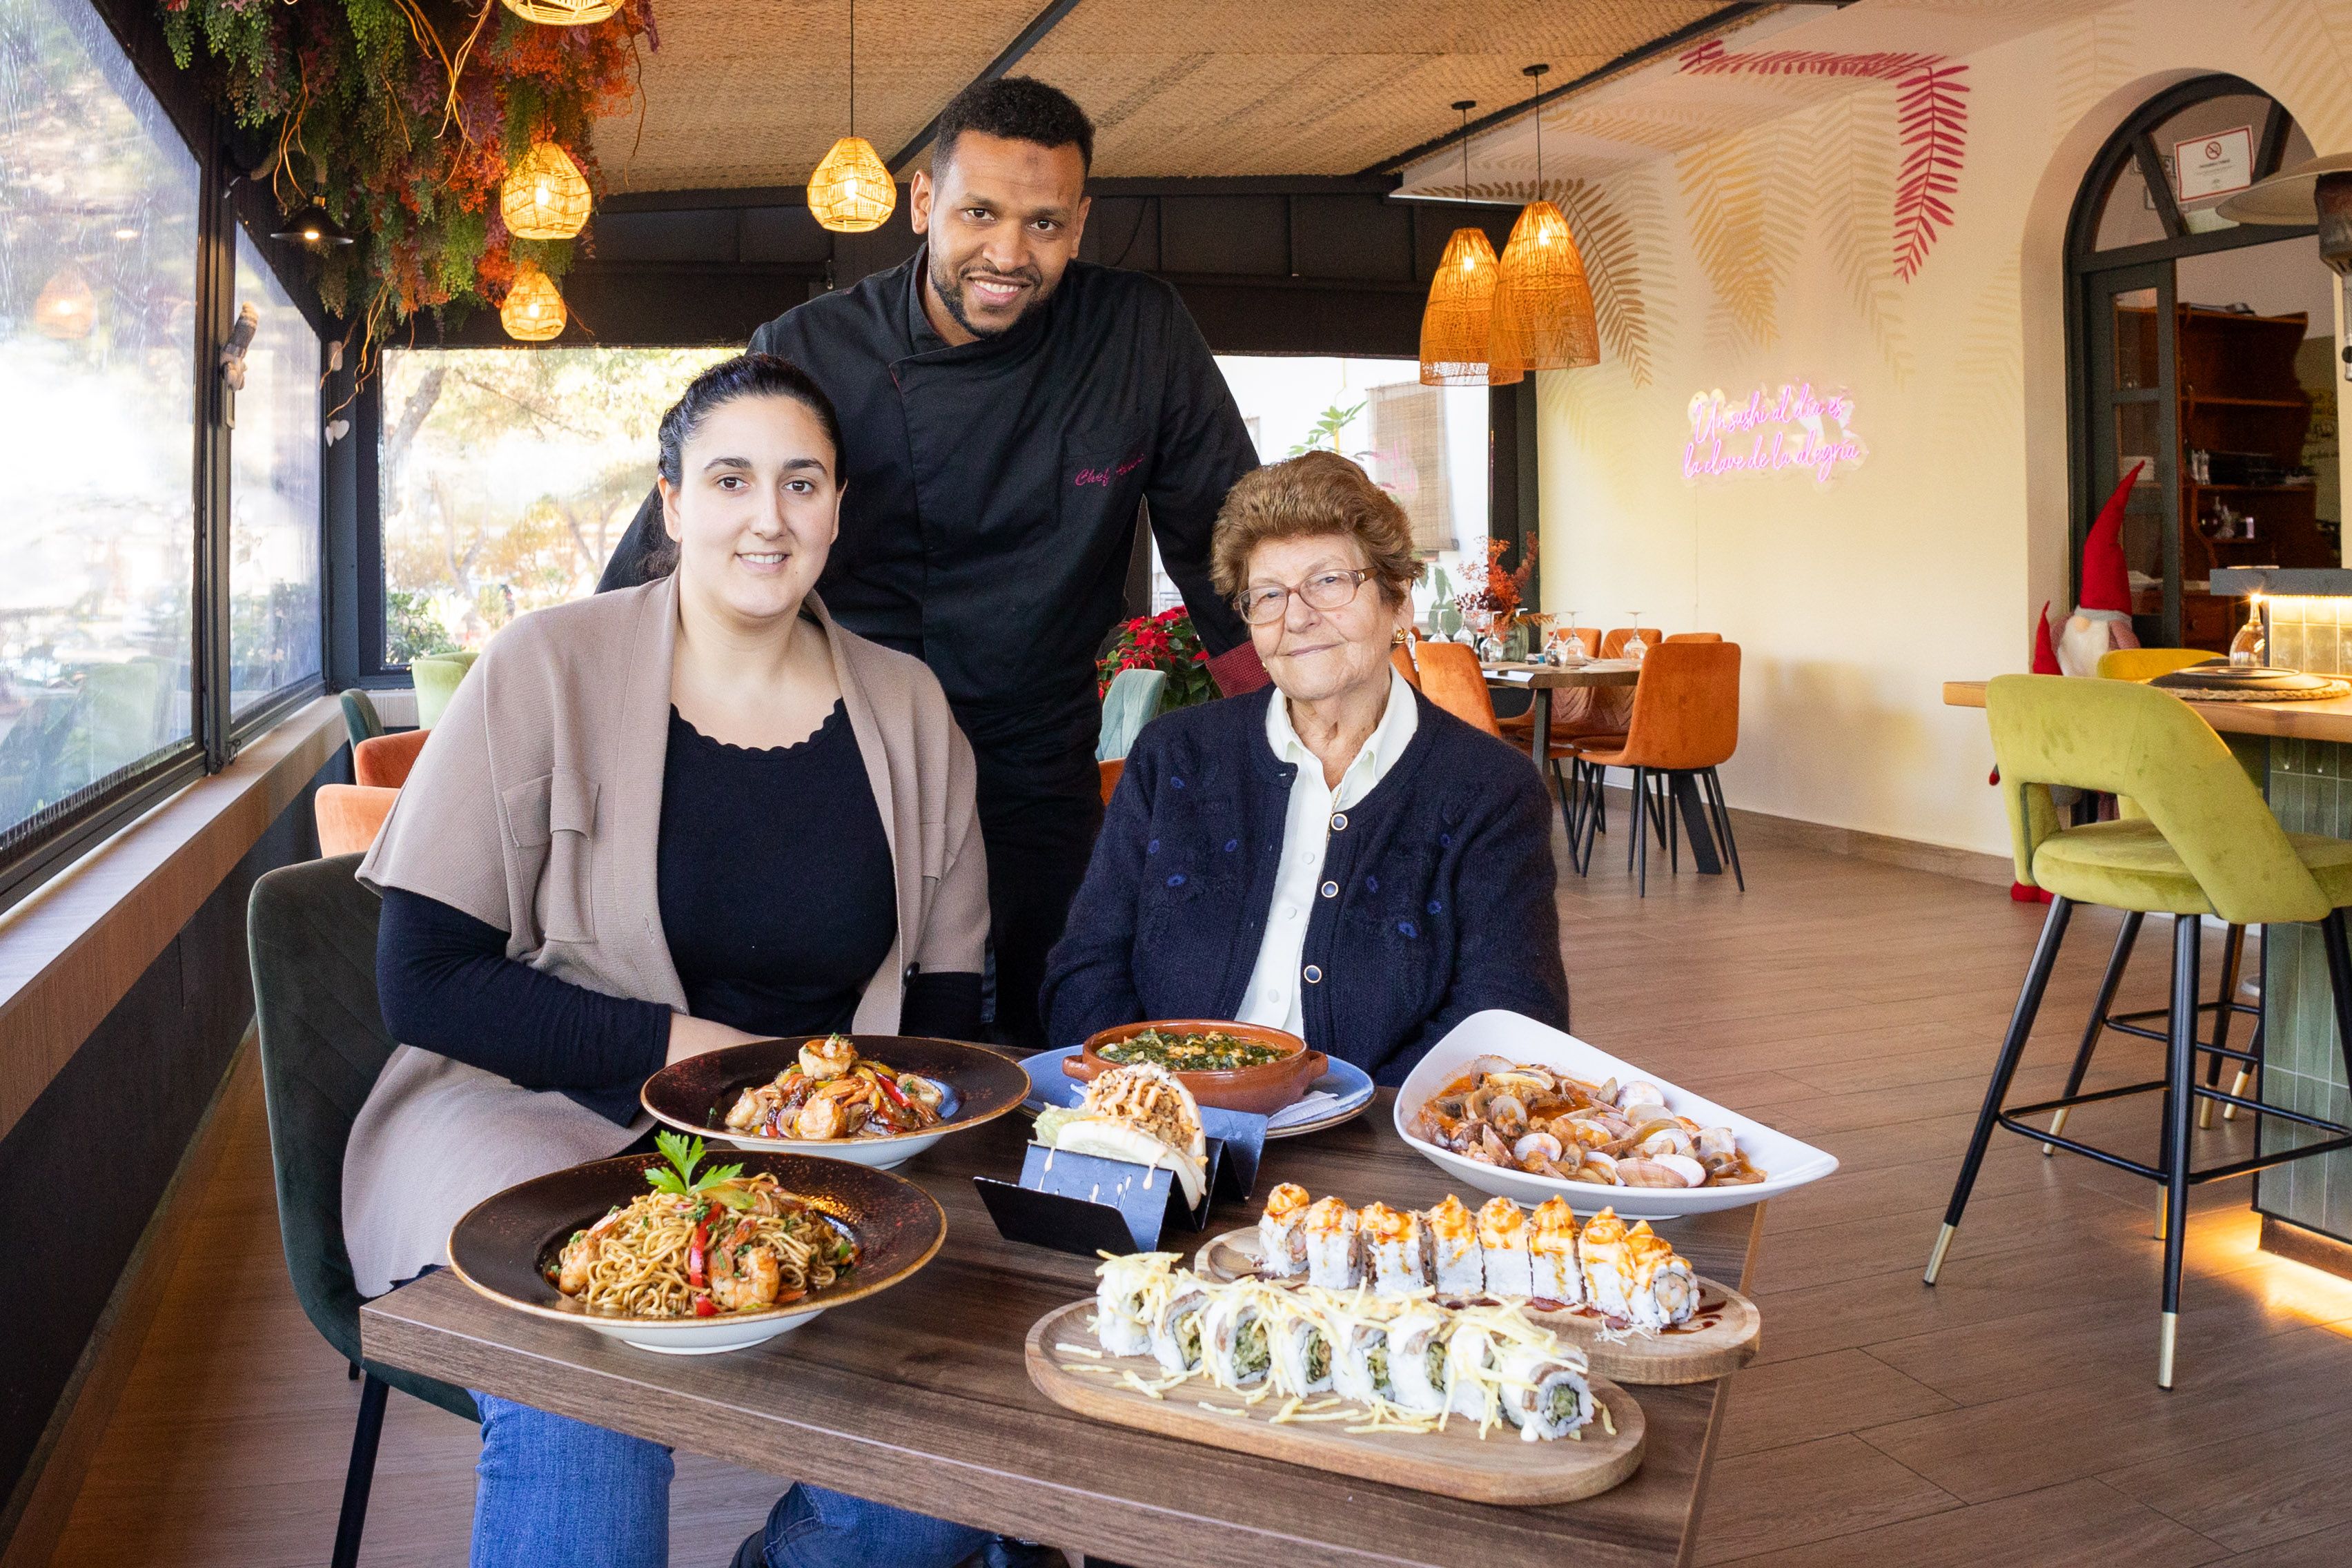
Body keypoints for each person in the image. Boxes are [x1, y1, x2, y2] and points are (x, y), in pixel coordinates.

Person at [342, 354, 992, 1568]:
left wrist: (846, 1126)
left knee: (954, 1466)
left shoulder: (909, 707)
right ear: (674, 502)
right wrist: (698, 1056)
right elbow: (421, 979)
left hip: (812, 1154)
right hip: (538, 1116)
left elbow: (942, 1016)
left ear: (837, 509)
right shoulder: (543, 664)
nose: (768, 517)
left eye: (801, 482)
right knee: (584, 1400)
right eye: (731, 479)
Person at [596, 77, 1266, 1048]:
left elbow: (1230, 551)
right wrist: (581, 713)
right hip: (846, 751)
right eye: (979, 214)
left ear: (1080, 223)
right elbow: (690, 539)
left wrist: (1298, 734)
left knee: (1054, 1020)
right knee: (852, 1030)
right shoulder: (813, 347)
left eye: (1044, 224)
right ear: (922, 202)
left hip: (1038, 754)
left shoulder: (1139, 336)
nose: (1009, 254)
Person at [1040, 452, 1571, 1084]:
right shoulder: (1173, 757)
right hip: (1159, 1121)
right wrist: (1156, 1100)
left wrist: (1334, 1112)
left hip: (1375, 1138)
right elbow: (1086, 968)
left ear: (1399, 602)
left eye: (1328, 582)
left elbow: (1508, 1017)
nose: (1296, 617)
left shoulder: (1490, 790)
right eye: (1268, 594)